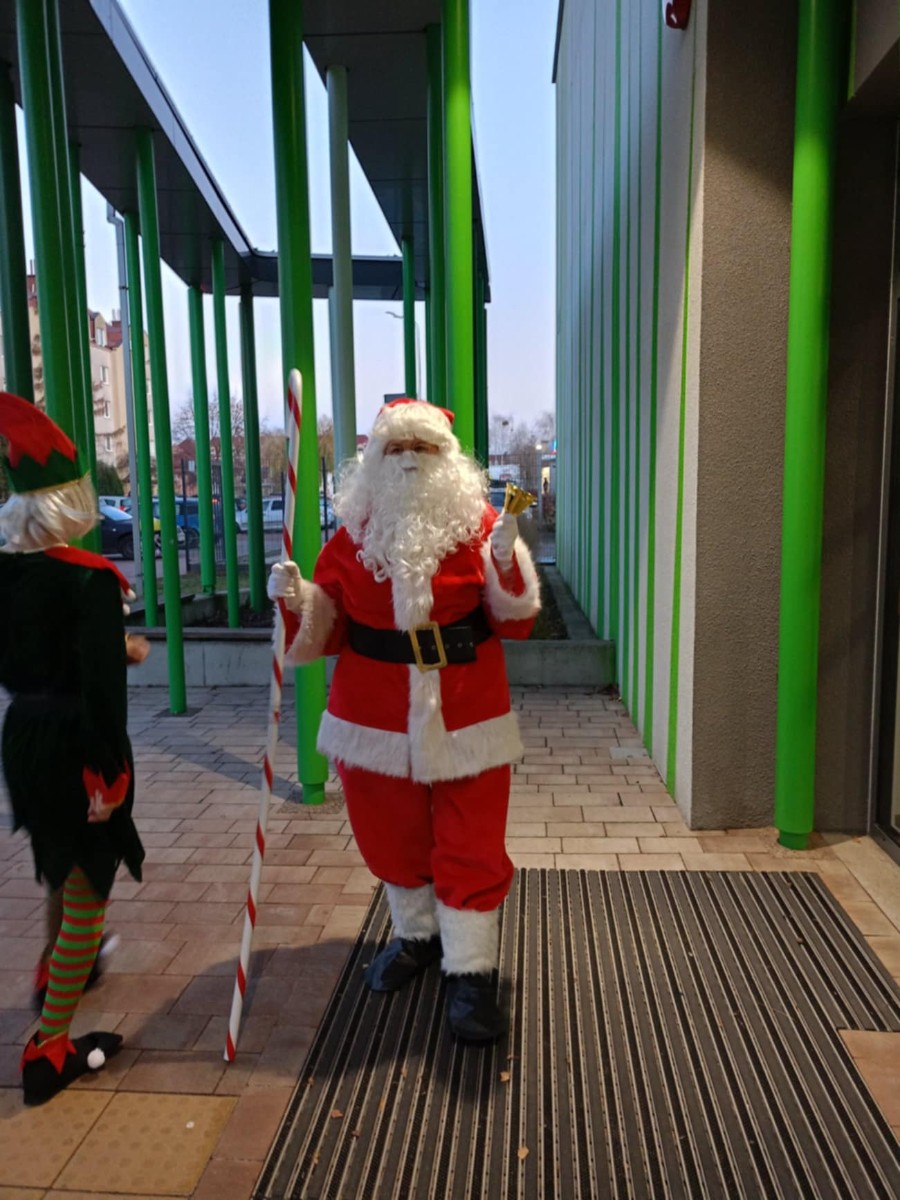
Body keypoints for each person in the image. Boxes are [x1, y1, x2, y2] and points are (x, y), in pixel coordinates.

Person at [268, 398, 540, 1041]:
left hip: (467, 710)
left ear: (449, 460)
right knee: (389, 832)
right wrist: (296, 597)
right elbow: (328, 626)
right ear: (374, 459)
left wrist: (507, 564)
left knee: (471, 837)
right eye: (397, 448)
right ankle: (417, 935)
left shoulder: (482, 527)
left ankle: (471, 969)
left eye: (424, 447)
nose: (411, 460)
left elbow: (515, 621)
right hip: (374, 716)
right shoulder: (353, 535)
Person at [0, 392, 146, 1104]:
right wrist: (110, 778)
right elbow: (100, 695)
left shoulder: (6, 575)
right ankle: (50, 1049)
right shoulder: (90, 580)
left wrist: (116, 649)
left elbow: (40, 650)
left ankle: (54, 991)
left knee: (63, 866)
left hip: (23, 738)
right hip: (76, 748)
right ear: (72, 502)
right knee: (88, 891)